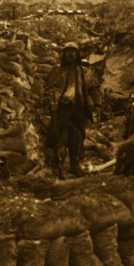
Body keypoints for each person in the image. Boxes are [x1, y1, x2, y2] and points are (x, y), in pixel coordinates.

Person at [44, 42, 101, 178]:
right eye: (68, 51)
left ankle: (74, 166)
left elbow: (94, 90)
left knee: (77, 139)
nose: (70, 54)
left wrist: (97, 104)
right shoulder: (56, 71)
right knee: (60, 139)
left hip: (78, 110)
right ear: (63, 54)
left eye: (73, 52)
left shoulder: (85, 72)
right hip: (62, 110)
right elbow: (49, 90)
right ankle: (59, 168)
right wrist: (51, 106)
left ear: (77, 54)